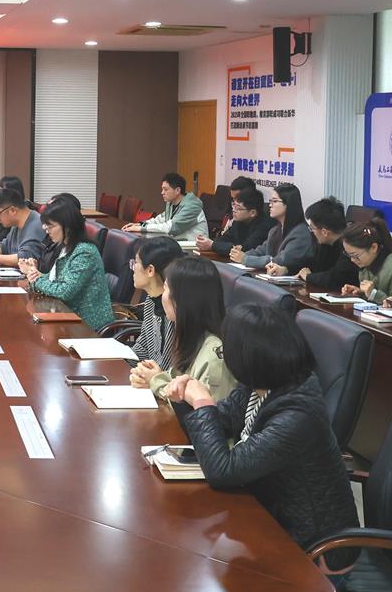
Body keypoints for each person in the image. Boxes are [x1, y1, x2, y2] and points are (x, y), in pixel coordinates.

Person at [165, 301, 360, 570]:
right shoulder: (262, 385)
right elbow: (222, 422)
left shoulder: (297, 414)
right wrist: (184, 398)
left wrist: (202, 403)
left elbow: (223, 471)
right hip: (273, 520)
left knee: (198, 561)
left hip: (316, 551)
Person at [130, 256, 236, 402]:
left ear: (182, 300)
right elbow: (178, 383)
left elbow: (207, 412)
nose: (162, 296)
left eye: (165, 288)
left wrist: (156, 381)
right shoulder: (191, 336)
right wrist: (152, 377)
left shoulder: (213, 356)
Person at [17, 200, 113, 332]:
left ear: (67, 227)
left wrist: (36, 280)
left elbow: (65, 291)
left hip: (88, 326)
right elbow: (57, 279)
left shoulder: (84, 252)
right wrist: (35, 274)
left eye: (50, 226)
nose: (46, 230)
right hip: (68, 317)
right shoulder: (66, 247)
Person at [125, 237, 183, 363]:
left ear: (150, 270)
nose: (133, 268)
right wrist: (116, 358)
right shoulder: (151, 301)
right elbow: (143, 348)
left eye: (136, 262)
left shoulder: (175, 310)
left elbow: (171, 366)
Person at [236, 185, 314, 273]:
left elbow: (280, 260)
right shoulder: (275, 230)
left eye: (275, 201)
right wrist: (241, 255)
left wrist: (245, 259)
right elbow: (262, 250)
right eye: (270, 201)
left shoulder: (301, 233)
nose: (270, 205)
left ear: (288, 204)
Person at [338, 219, 392, 304]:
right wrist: (361, 293)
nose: (352, 260)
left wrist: (373, 294)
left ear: (374, 247)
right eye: (348, 255)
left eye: (355, 255)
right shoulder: (367, 266)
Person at [0, 187, 45, 267]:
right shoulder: (16, 223)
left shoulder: (36, 225)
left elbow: (25, 258)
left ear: (12, 211)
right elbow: (5, 246)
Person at [126, 173, 207, 241]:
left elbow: (172, 227)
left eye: (165, 189)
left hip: (194, 248)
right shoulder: (172, 203)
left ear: (177, 190)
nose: (162, 192)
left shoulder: (192, 206)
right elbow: (159, 220)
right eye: (162, 189)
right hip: (179, 243)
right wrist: (140, 224)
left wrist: (142, 229)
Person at [198, 186, 273, 257]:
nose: (233, 210)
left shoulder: (264, 226)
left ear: (252, 213)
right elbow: (223, 239)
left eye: (238, 208)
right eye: (233, 205)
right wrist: (210, 243)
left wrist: (213, 245)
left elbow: (244, 249)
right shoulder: (238, 221)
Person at [297, 198, 352, 288]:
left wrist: (308, 276)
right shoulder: (326, 243)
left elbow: (335, 278)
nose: (311, 232)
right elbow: (312, 266)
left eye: (312, 228)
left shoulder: (350, 246)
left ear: (325, 232)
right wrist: (286, 269)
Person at [35, 192, 83, 273]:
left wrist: (35, 276)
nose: (44, 228)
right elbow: (51, 276)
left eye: (50, 225)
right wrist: (35, 268)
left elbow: (62, 281)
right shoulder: (63, 244)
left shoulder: (83, 253)